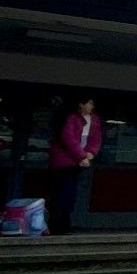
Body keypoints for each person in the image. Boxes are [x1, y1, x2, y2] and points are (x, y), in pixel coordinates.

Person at [46, 96, 103, 235]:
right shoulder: (71, 118)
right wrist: (82, 156)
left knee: (69, 194)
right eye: (89, 103)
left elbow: (96, 139)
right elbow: (68, 139)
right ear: (80, 104)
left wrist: (91, 153)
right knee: (60, 194)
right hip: (63, 161)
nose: (91, 106)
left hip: (78, 161)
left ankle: (64, 224)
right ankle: (55, 225)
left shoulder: (94, 120)